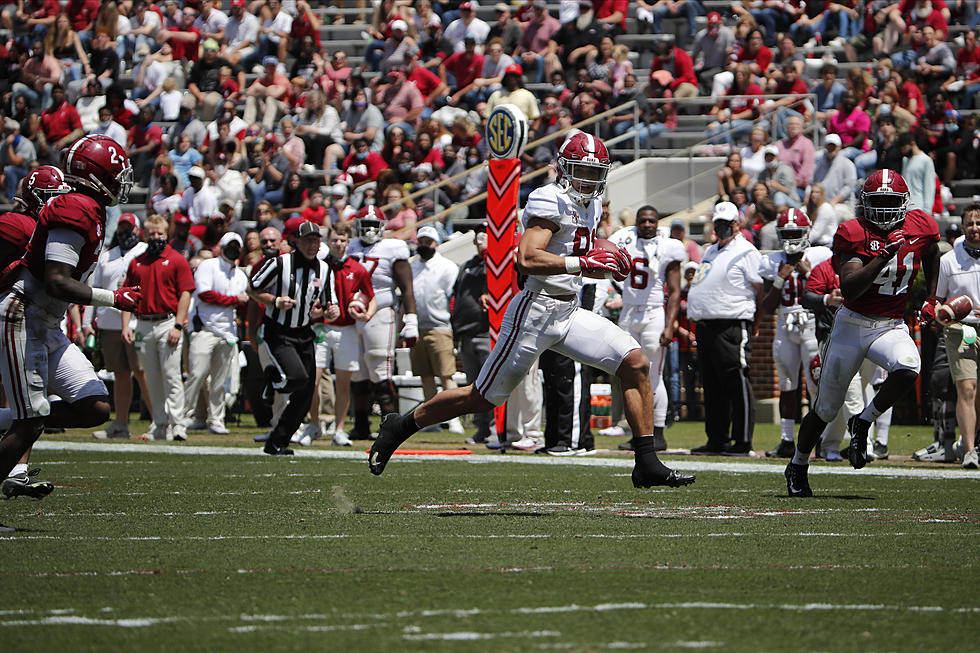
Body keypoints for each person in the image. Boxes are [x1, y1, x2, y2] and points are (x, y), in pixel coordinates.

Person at [369, 132, 695, 490]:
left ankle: (646, 462)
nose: (588, 180)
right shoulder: (548, 199)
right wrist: (584, 262)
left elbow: (579, 245)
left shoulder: (592, 205)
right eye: (582, 171)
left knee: (635, 363)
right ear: (564, 169)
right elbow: (526, 259)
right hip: (534, 312)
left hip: (568, 311)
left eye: (594, 172)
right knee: (481, 398)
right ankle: (399, 426)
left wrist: (606, 253)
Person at [0, 136, 140, 531]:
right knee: (31, 421)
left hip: (46, 322)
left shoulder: (88, 207)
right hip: (22, 315)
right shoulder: (76, 206)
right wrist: (114, 297)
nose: (121, 181)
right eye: (116, 173)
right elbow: (58, 280)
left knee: (93, 407)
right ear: (98, 176)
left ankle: (8, 417)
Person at [785, 170, 940, 497]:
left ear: (904, 203)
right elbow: (851, 289)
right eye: (877, 202)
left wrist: (932, 297)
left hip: (890, 324)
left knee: (910, 365)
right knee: (826, 407)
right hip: (853, 323)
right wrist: (883, 255)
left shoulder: (921, 226)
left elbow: (932, 253)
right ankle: (798, 464)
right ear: (865, 204)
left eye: (890, 202)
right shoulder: (852, 232)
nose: (884, 209)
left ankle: (863, 421)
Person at [0, 166, 72, 500]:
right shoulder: (20, 224)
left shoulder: (49, 231)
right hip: (10, 317)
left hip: (33, 321)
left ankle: (16, 471)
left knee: (28, 401)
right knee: (27, 405)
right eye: (52, 198)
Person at [248, 221, 331, 456]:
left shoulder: (324, 269)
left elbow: (326, 303)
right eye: (307, 240)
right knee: (296, 377)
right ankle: (271, 383)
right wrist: (274, 301)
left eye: (316, 240)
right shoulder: (280, 263)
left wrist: (330, 310)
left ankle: (277, 441)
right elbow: (253, 288)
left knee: (306, 392)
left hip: (304, 332)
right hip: (279, 330)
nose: (312, 245)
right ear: (296, 241)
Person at [686, 201, 763, 455]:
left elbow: (761, 289)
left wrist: (757, 322)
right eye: (717, 224)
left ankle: (742, 441)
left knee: (736, 380)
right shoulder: (711, 250)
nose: (721, 228)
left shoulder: (747, 251)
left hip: (732, 323)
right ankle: (716, 439)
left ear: (737, 224)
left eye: (726, 224)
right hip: (707, 326)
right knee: (712, 384)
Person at [608, 205, 686, 451]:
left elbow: (674, 292)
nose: (648, 225)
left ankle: (659, 433)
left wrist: (671, 324)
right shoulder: (624, 238)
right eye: (643, 221)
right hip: (629, 311)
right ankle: (638, 433)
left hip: (653, 312)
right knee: (628, 375)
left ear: (657, 222)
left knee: (653, 375)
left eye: (652, 221)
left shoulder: (668, 245)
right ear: (636, 222)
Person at [758, 209, 833, 458]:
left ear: (807, 233)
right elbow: (767, 306)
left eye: (795, 233)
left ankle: (819, 439)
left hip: (811, 323)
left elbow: (831, 289)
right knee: (787, 384)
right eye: (786, 233)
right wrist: (780, 279)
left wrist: (809, 273)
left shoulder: (820, 255)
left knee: (815, 384)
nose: (791, 238)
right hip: (784, 324)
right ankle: (787, 439)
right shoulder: (772, 261)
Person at [121, 214, 196, 442]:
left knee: (172, 375)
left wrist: (178, 324)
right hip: (144, 322)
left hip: (167, 321)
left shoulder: (176, 259)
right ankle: (160, 423)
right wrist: (126, 325)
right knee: (151, 377)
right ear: (145, 234)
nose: (156, 237)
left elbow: (185, 293)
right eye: (152, 234)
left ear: (167, 234)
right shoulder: (138, 261)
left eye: (160, 234)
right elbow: (128, 295)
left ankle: (178, 423)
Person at [346, 205, 418, 440]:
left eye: (372, 225)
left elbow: (407, 288)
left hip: (381, 312)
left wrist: (411, 320)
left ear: (382, 227)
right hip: (353, 314)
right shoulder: (350, 247)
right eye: (364, 225)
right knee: (357, 372)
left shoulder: (393, 247)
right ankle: (361, 425)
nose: (368, 230)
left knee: (380, 368)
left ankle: (391, 426)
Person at [309, 221, 375, 447]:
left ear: (349, 242)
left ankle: (338, 429)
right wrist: (316, 311)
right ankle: (315, 425)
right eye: (335, 239)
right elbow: (309, 299)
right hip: (321, 328)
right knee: (313, 380)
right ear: (329, 241)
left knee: (344, 384)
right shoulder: (319, 267)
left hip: (347, 329)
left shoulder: (357, 269)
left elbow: (371, 297)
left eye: (343, 240)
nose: (338, 244)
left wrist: (366, 315)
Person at [84, 213, 149, 440]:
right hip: (110, 321)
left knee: (142, 372)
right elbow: (94, 290)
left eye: (128, 228)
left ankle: (161, 420)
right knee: (121, 373)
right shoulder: (106, 256)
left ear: (137, 230)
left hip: (136, 321)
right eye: (121, 228)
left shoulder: (144, 251)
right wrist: (87, 323)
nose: (124, 233)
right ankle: (121, 424)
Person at [182, 232, 249, 436]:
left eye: (237, 246)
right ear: (221, 247)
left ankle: (216, 419)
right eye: (230, 245)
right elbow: (204, 293)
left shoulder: (240, 275)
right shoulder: (208, 266)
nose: (234, 250)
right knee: (197, 374)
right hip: (205, 329)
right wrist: (233, 300)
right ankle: (182, 416)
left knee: (220, 380)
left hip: (227, 332)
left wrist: (237, 303)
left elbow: (243, 302)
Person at [935, 203, 980, 469]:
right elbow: (939, 301)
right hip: (961, 330)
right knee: (966, 388)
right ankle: (970, 451)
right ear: (963, 227)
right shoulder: (949, 260)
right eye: (971, 224)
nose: (975, 228)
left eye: (979, 223)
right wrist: (944, 313)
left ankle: (968, 440)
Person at [410, 225, 464, 435]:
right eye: (421, 242)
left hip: (440, 326)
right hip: (417, 327)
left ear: (436, 244)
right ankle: (430, 420)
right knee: (425, 376)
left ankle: (454, 419)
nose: (424, 246)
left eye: (428, 242)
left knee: (446, 375)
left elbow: (453, 298)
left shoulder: (447, 267)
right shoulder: (412, 266)